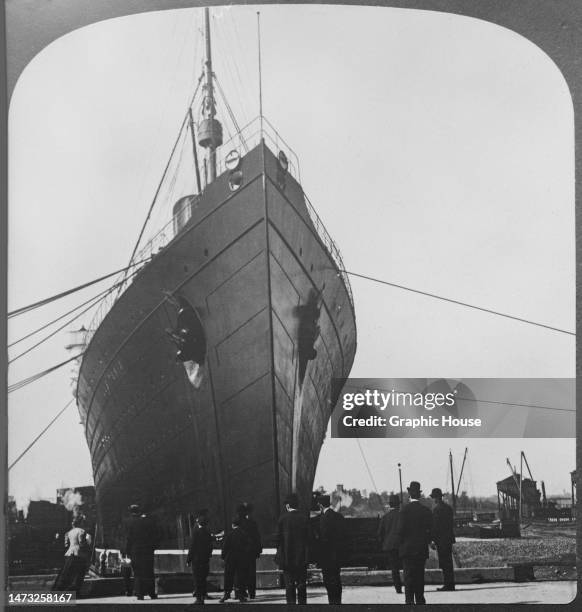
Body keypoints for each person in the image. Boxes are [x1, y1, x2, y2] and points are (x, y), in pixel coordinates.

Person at [397, 482, 433, 605]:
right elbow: (430, 531)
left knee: (408, 577)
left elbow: (400, 531)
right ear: (419, 494)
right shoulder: (426, 511)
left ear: (409, 494)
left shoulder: (404, 510)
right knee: (419, 576)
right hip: (421, 549)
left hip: (407, 550)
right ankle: (420, 600)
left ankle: (409, 601)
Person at [275, 493, 310, 605]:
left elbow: (278, 540)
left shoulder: (282, 519)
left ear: (288, 505)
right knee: (301, 585)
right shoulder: (304, 519)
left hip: (287, 558)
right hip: (301, 559)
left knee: (289, 585)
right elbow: (309, 538)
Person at [123, 504, 160, 601]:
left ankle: (140, 594)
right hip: (147, 550)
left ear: (130, 512)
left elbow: (128, 538)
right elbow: (153, 535)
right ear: (139, 511)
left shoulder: (127, 522)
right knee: (149, 572)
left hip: (135, 551)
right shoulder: (147, 521)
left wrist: (127, 551)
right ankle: (152, 593)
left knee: (137, 573)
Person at [316, 495, 345, 604]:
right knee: (336, 580)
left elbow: (324, 539)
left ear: (320, 505)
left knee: (328, 581)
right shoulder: (339, 516)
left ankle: (332, 604)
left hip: (326, 556)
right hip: (337, 556)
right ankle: (338, 603)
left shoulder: (323, 518)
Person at [52, 516, 92, 596]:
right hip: (79, 555)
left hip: (69, 554)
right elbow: (81, 544)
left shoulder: (69, 532)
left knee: (66, 574)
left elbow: (66, 545)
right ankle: (75, 592)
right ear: (80, 523)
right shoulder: (82, 531)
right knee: (79, 575)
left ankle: (58, 591)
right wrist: (88, 547)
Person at [219, 517, 251, 603]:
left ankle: (226, 594)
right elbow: (248, 547)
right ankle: (240, 595)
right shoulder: (244, 534)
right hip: (241, 559)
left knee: (228, 576)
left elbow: (225, 547)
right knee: (240, 577)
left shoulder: (229, 534)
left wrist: (223, 558)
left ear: (233, 525)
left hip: (230, 559)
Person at [430, 488, 456, 591]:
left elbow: (435, 527)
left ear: (436, 498)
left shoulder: (436, 509)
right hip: (448, 538)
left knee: (444, 563)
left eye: (433, 498)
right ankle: (451, 584)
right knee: (448, 562)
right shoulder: (448, 508)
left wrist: (433, 540)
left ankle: (447, 584)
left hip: (441, 540)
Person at [186, 509, 214, 605]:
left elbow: (192, 546)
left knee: (197, 578)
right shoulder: (206, 532)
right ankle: (203, 594)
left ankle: (199, 598)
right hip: (205, 559)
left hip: (196, 559)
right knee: (203, 577)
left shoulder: (196, 532)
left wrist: (188, 559)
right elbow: (210, 545)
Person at [377, 494, 403, 594]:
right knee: (405, 566)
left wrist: (385, 542)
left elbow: (380, 534)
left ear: (390, 505)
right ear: (398, 505)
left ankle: (398, 588)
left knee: (394, 568)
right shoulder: (402, 515)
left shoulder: (385, 517)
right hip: (401, 545)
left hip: (389, 546)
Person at [236, 503, 262, 599]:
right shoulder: (252, 523)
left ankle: (241, 592)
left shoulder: (236, 523)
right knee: (251, 573)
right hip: (251, 552)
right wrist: (258, 551)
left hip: (239, 552)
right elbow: (257, 537)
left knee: (240, 573)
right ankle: (252, 593)